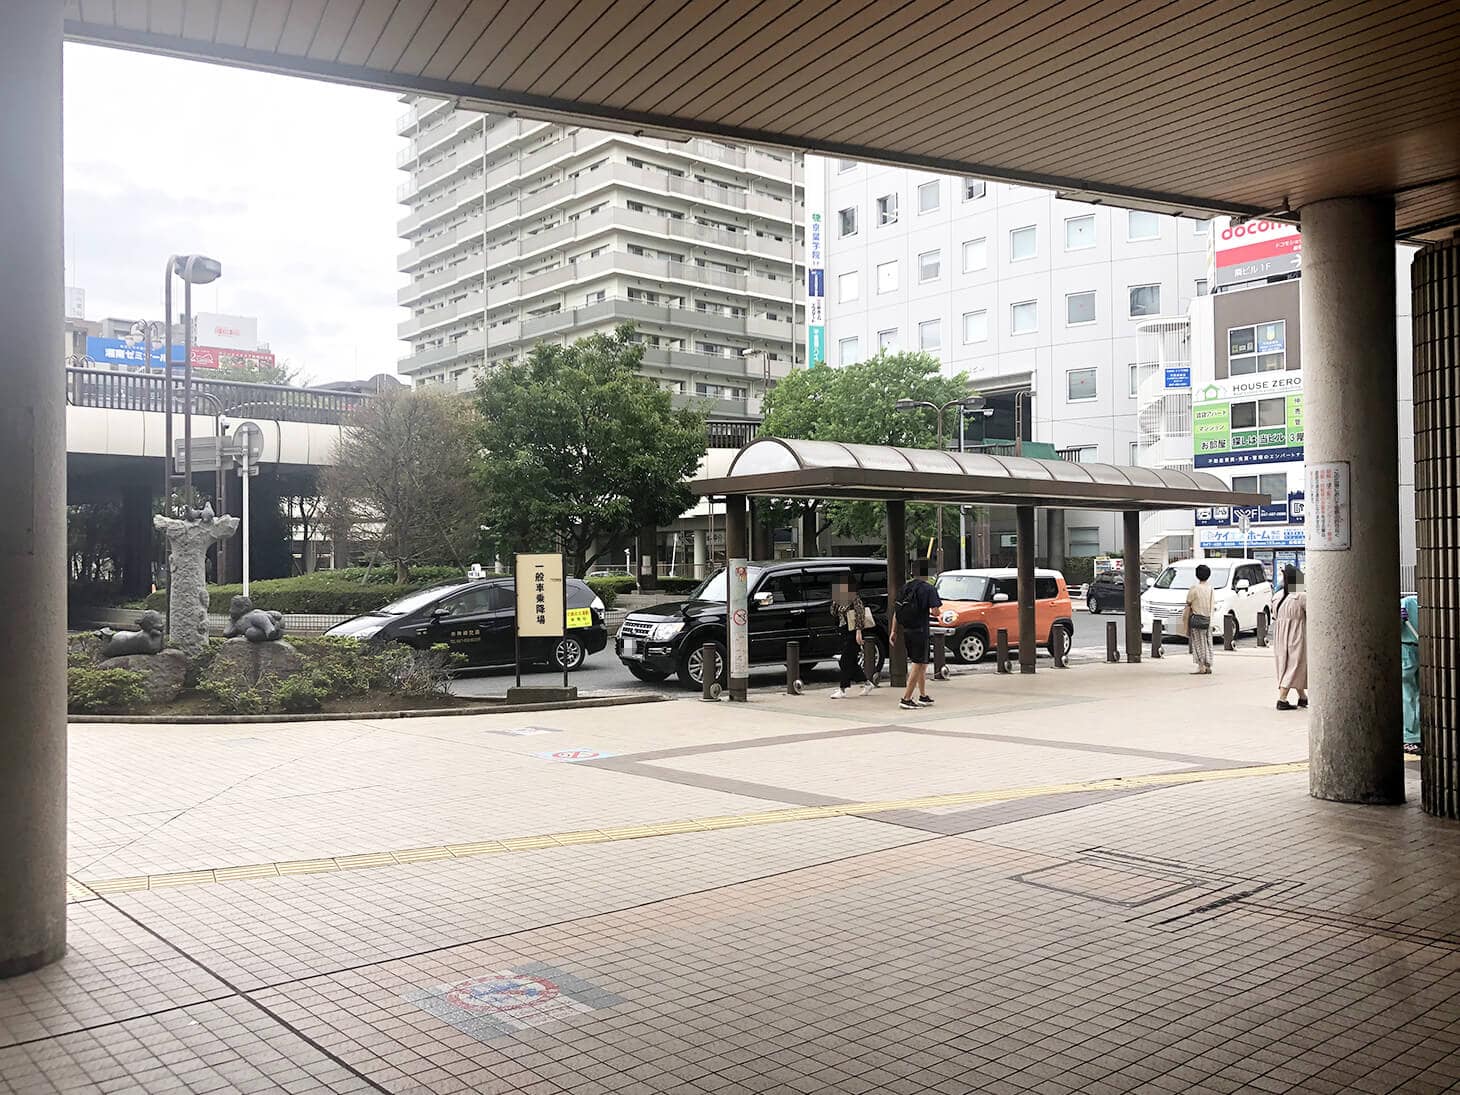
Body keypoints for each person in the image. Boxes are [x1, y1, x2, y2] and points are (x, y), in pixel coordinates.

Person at [889, 557, 942, 710]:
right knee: (918, 664)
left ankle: (923, 696)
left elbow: (896, 611)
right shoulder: (928, 589)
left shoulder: (905, 588)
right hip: (921, 630)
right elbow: (935, 611)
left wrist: (893, 631)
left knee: (922, 663)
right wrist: (939, 610)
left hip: (907, 630)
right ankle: (906, 698)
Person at [828, 577, 875, 699]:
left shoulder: (854, 598)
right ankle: (867, 683)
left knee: (845, 660)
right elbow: (833, 613)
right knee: (851, 662)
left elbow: (860, 614)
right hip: (844, 631)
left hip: (854, 632)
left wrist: (859, 631)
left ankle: (842, 689)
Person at [1271, 564, 1308, 710]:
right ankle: (1282, 698)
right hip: (1296, 633)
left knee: (1287, 664)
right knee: (1295, 664)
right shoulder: (1301, 596)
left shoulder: (1277, 596)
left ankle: (1302, 697)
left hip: (1280, 635)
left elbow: (1274, 616)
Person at [1182, 563, 1215, 675]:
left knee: (1198, 643)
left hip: (1196, 619)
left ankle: (1201, 666)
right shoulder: (1210, 588)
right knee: (1208, 642)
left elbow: (1188, 602)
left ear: (1197, 575)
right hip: (1208, 619)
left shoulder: (1194, 588)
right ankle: (1208, 664)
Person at [1402, 593, 1420, 754]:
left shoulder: (1410, 602)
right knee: (1409, 695)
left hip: (1417, 649)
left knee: (1416, 695)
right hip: (1408, 649)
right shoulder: (1408, 602)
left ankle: (1415, 735)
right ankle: (1409, 737)